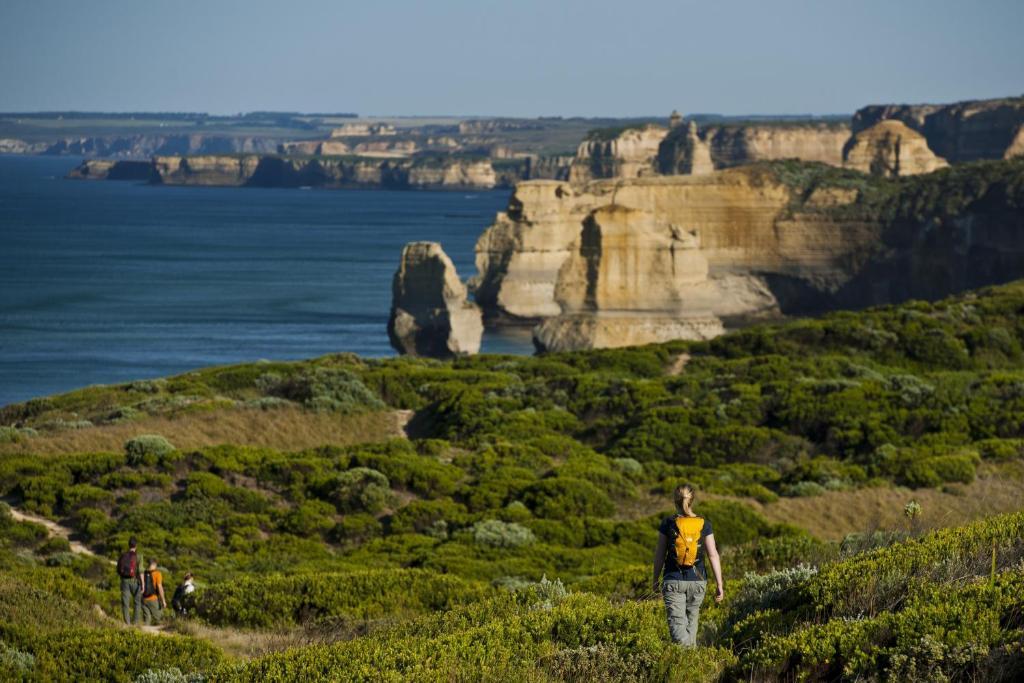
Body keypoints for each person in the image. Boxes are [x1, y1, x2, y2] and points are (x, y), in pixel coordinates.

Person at [652, 484, 723, 646]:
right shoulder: (704, 524)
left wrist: (655, 579)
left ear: (675, 501)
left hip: (672, 580)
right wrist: (719, 583)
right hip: (698, 581)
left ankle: (687, 661)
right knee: (691, 625)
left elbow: (659, 555)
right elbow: (713, 555)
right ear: (692, 500)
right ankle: (692, 664)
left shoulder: (668, 523)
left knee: (678, 629)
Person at [116, 537, 144, 625]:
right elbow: (141, 571)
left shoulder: (123, 555)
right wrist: (143, 584)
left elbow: (118, 569)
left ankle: (127, 623)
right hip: (135, 581)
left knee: (125, 603)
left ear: (129, 545)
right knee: (137, 602)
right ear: (136, 545)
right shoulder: (139, 556)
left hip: (124, 581)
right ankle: (135, 623)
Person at [140, 558, 167, 625]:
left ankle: (144, 634)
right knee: (160, 620)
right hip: (153, 599)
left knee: (147, 620)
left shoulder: (143, 573)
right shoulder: (157, 573)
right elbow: (159, 587)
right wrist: (163, 600)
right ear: (154, 564)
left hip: (143, 599)